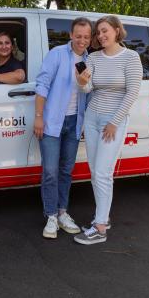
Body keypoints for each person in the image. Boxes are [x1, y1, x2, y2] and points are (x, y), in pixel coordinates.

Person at [74, 15, 142, 245]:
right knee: (96, 171)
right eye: (98, 33)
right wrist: (82, 82)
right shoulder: (93, 57)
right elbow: (89, 89)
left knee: (103, 172)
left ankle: (100, 228)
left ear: (116, 30)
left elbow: (132, 92)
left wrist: (114, 122)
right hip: (92, 118)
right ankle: (103, 217)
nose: (101, 36)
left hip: (113, 122)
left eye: (105, 31)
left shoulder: (131, 58)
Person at [34, 17, 92, 239]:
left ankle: (62, 212)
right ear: (71, 35)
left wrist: (86, 122)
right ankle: (50, 216)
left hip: (74, 123)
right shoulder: (57, 54)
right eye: (78, 36)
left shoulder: (90, 59)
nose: (82, 40)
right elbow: (42, 85)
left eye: (86, 37)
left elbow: (89, 92)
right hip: (52, 122)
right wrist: (39, 116)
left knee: (66, 171)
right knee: (50, 172)